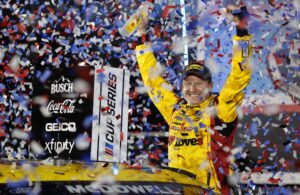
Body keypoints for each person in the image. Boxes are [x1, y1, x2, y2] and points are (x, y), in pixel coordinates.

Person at [135, 5, 252, 194]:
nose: (192, 88)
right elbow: (153, 82)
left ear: (209, 86)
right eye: (188, 83)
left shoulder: (221, 110)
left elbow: (241, 75)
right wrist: (142, 37)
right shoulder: (175, 110)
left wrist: (242, 31)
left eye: (199, 83)